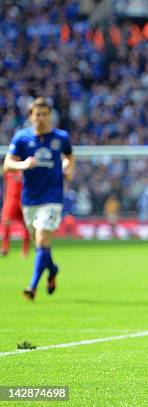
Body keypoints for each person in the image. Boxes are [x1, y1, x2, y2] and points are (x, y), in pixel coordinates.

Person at [3, 97, 75, 300]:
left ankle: (32, 287)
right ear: (30, 116)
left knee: (43, 239)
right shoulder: (21, 138)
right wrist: (23, 165)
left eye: (45, 114)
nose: (41, 118)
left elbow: (69, 156)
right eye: (37, 114)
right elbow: (7, 165)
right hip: (29, 200)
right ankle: (52, 270)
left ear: (50, 116)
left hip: (52, 197)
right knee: (41, 246)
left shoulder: (61, 137)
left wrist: (68, 167)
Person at [1, 169, 30, 257]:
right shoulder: (8, 170)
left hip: (24, 199)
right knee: (6, 222)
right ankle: (4, 248)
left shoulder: (25, 168)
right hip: (11, 199)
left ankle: (25, 250)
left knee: (26, 225)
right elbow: (5, 186)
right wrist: (5, 201)